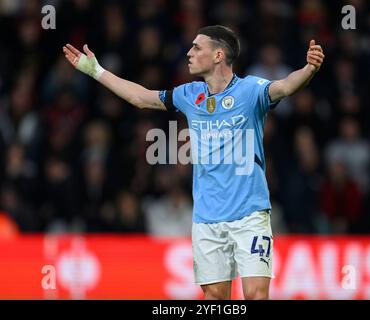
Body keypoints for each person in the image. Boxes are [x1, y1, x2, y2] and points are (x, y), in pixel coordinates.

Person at [63, 25, 324, 300]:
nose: (189, 52)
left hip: (250, 215)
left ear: (218, 55)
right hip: (207, 219)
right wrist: (96, 71)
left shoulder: (250, 91)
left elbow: (285, 86)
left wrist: (309, 69)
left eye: (197, 47)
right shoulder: (189, 94)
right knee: (215, 299)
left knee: (256, 295)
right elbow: (141, 98)